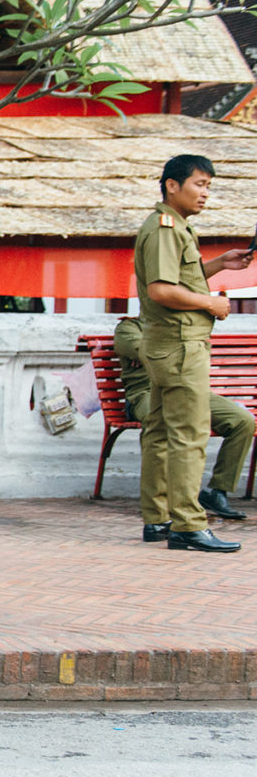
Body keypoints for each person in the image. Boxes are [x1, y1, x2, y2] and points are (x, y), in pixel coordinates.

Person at [132, 154, 251, 552]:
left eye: (208, 186)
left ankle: (158, 519)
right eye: (199, 184)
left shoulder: (173, 227)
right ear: (172, 185)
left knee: (163, 432)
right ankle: (188, 524)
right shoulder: (166, 228)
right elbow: (161, 290)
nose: (205, 193)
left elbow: (177, 275)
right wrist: (210, 302)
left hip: (169, 345)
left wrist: (217, 265)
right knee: (190, 433)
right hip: (181, 345)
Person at [114, 315, 254, 524]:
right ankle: (163, 502)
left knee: (243, 420)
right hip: (146, 392)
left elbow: (164, 353)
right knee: (160, 420)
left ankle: (218, 491)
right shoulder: (129, 327)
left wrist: (157, 352)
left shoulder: (184, 326)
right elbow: (147, 352)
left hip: (188, 388)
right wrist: (171, 351)